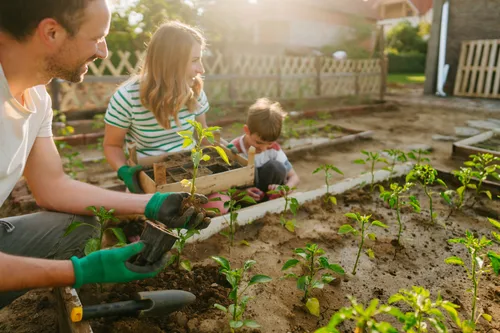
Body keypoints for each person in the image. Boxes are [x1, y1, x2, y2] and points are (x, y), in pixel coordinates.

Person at [0, 0, 213, 309]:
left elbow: (52, 187)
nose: (103, 51)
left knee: (79, 225)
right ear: (51, 32)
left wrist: (150, 204)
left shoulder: (37, 98)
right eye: (97, 37)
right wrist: (81, 271)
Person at [103, 21, 210, 194]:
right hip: (149, 176)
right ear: (170, 63)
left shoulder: (194, 91)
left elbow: (203, 132)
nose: (201, 69)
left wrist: (228, 147)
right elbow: (112, 145)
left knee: (221, 206)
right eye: (195, 61)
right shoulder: (127, 97)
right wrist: (124, 171)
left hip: (189, 170)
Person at [205, 98, 300, 214]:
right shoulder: (235, 149)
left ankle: (269, 204)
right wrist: (241, 194)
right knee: (248, 168)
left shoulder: (273, 148)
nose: (263, 148)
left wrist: (285, 188)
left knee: (277, 168)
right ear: (247, 130)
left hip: (267, 196)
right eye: (258, 142)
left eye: (269, 143)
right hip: (244, 200)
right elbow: (224, 186)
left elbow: (294, 177)